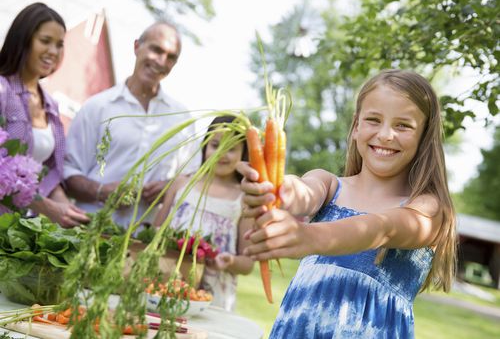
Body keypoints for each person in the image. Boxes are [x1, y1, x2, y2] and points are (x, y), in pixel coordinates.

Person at [239, 70, 457, 338]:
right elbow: (302, 192)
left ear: (424, 137)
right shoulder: (329, 185)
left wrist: (306, 237)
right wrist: (275, 189)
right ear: (356, 127)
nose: (386, 134)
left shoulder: (427, 208)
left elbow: (383, 228)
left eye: (403, 125)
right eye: (373, 120)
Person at [64, 21, 199, 227]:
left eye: (171, 57)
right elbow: (68, 171)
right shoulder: (97, 107)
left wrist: (169, 188)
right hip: (89, 230)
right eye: (156, 50)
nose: (162, 62)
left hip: (143, 241)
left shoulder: (182, 119)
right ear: (137, 46)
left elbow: (192, 179)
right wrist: (101, 191)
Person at [0, 2, 89, 227]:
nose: (53, 51)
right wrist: (48, 208)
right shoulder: (2, 90)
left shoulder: (50, 105)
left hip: (19, 229)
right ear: (23, 39)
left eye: (59, 45)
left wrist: (65, 207)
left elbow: (47, 170)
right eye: (45, 41)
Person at [153, 115, 254, 311]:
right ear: (205, 147)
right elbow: (155, 231)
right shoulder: (182, 183)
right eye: (216, 145)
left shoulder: (244, 199)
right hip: (165, 284)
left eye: (231, 148)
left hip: (211, 298)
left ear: (243, 154)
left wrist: (229, 261)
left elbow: (248, 263)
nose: (222, 153)